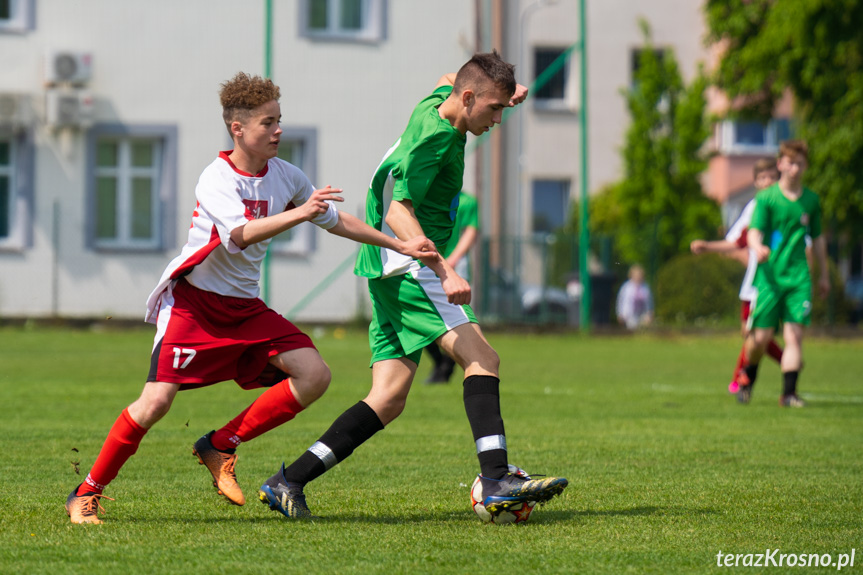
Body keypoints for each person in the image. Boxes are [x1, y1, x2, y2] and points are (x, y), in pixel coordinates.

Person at [64, 72, 435, 525]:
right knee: (155, 403)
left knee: (314, 374)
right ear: (237, 128)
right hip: (195, 306)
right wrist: (301, 212)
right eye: (267, 123)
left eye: (280, 120)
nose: (278, 130)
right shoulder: (217, 178)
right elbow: (239, 235)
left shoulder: (286, 175)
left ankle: (221, 444)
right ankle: (86, 492)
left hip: (244, 308)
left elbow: (334, 220)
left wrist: (398, 245)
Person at [257, 52, 568, 520]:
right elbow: (398, 211)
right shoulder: (435, 140)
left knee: (388, 396)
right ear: (468, 99)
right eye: (493, 110)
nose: (498, 119)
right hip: (409, 267)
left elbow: (449, 77)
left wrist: (508, 91)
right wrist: (447, 271)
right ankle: (498, 477)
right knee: (482, 358)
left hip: (382, 268)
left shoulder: (439, 102)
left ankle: (288, 480)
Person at [737, 140, 830, 407]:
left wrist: (823, 274)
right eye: (790, 162)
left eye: (800, 163)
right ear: (780, 164)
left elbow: (819, 238)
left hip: (798, 278)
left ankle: (788, 394)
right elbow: (753, 232)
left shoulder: (811, 200)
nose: (794, 168)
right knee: (760, 339)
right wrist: (757, 246)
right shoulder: (766, 198)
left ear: (805, 166)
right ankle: (748, 375)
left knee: (794, 336)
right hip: (769, 278)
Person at [690, 158, 783, 394]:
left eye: (772, 177)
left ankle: (752, 376)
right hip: (754, 283)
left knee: (758, 335)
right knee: (752, 335)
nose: (768, 182)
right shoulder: (754, 208)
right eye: (763, 178)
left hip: (780, 284)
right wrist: (708, 247)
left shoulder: (788, 205)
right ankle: (777, 367)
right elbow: (737, 241)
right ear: (756, 182)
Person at [424, 190, 479, 384]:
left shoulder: (467, 202)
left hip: (455, 266)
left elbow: (471, 231)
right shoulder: (430, 197)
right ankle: (441, 364)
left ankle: (446, 368)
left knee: (457, 319)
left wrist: (453, 259)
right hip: (428, 263)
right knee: (424, 318)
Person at [615, 265, 653, 330]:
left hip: (642, 315)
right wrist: (620, 314)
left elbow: (649, 302)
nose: (638, 277)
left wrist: (649, 314)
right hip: (629, 316)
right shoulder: (626, 287)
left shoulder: (645, 288)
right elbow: (620, 301)